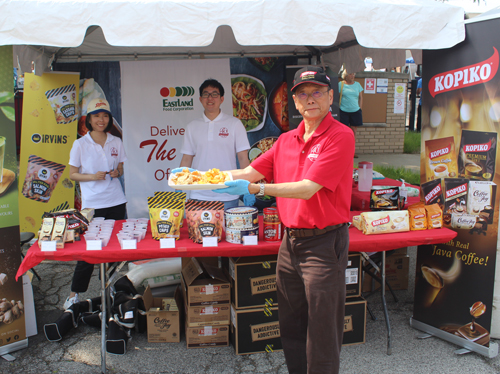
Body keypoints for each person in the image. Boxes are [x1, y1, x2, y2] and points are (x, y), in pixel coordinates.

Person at [214, 66, 355, 373]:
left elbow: (307, 189)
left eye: (317, 91)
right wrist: (198, 178)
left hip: (324, 243)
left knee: (322, 333)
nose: (310, 98)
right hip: (290, 244)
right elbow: (248, 172)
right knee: (290, 326)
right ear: (294, 101)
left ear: (331, 96)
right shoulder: (286, 140)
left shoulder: (340, 136)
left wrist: (257, 189)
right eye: (302, 93)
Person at [63, 98, 127, 309]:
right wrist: (92, 177)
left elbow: (121, 169)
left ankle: (109, 286)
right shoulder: (80, 144)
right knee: (88, 251)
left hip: (116, 201)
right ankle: (74, 294)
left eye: (105, 115)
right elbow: (73, 174)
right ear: (89, 119)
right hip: (92, 205)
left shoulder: (116, 141)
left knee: (115, 249)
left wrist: (118, 172)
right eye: (97, 115)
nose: (102, 119)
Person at [178, 78, 253, 209]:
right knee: (198, 230)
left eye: (214, 94)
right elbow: (186, 159)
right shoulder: (192, 126)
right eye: (206, 94)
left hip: (228, 193)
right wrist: (179, 186)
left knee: (227, 230)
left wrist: (248, 186)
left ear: (222, 99)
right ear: (200, 99)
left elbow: (243, 158)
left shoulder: (234, 124)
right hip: (198, 194)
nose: (210, 98)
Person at [338, 70, 363, 158]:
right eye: (350, 74)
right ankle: (342, 151)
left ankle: (352, 151)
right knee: (343, 132)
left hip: (355, 111)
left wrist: (360, 108)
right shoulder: (340, 85)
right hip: (343, 111)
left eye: (353, 74)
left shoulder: (357, 85)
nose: (352, 75)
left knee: (354, 132)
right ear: (345, 75)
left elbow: (360, 97)